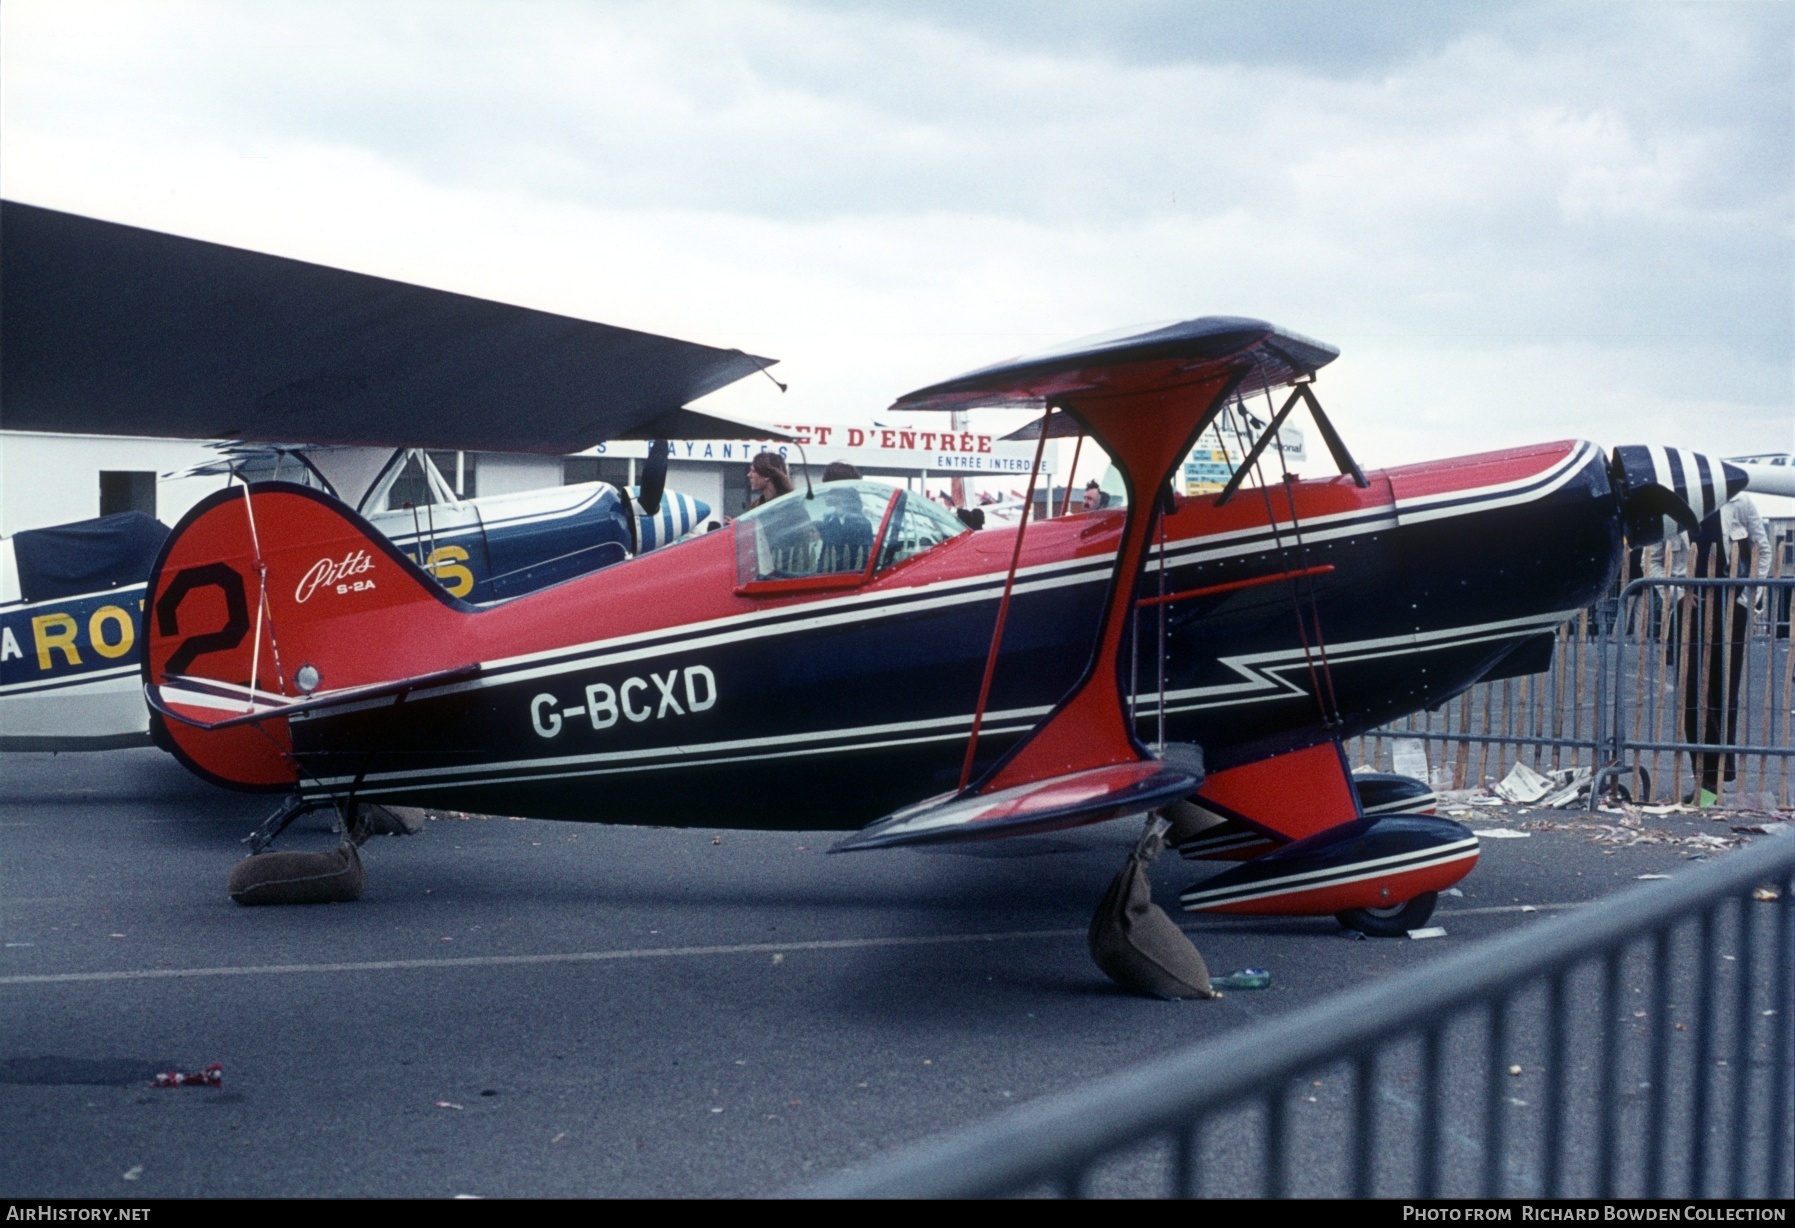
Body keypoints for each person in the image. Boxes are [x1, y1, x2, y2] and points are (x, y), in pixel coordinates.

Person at [1651, 493, 1771, 805]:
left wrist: (1746, 595)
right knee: (1692, 694)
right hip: (1689, 608)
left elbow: (1763, 549)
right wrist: (1676, 593)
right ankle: (1703, 779)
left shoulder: (1740, 504)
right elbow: (1651, 560)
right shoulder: (1670, 508)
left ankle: (1716, 781)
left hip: (1731, 607)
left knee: (1723, 692)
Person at [816, 483, 874, 572]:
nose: (825, 496)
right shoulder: (829, 520)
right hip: (829, 578)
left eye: (830, 492)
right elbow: (825, 553)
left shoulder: (862, 523)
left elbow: (865, 556)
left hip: (852, 577)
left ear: (841, 495)